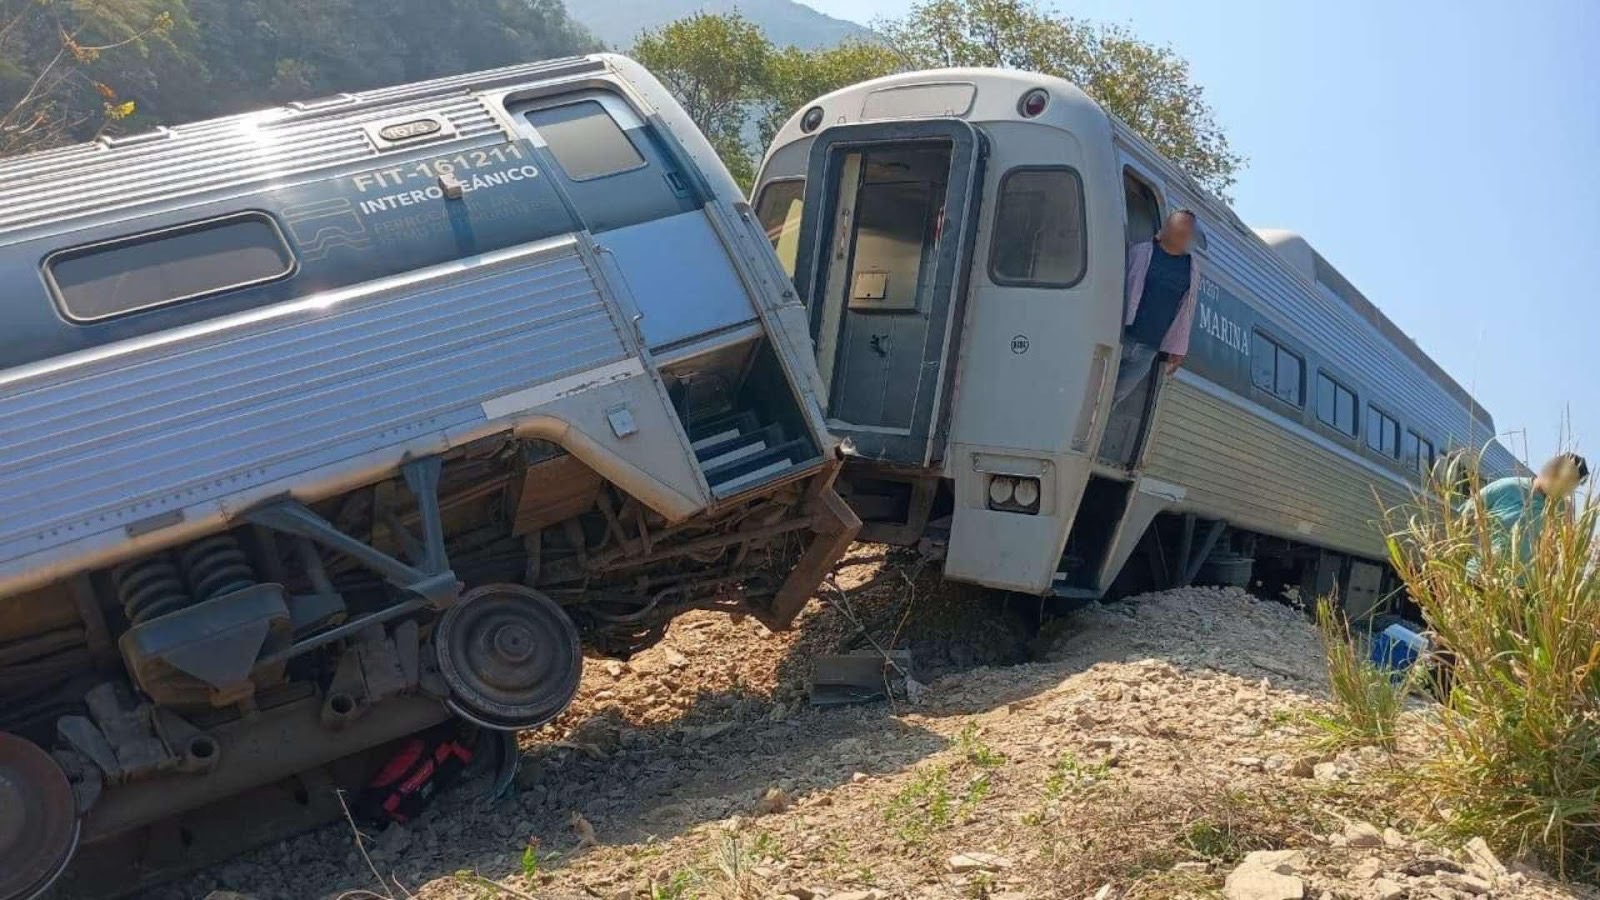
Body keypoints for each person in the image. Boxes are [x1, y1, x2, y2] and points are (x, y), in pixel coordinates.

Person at [1113, 209, 1202, 406]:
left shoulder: (1191, 269)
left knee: (1114, 397)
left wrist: (1179, 348)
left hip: (1148, 348)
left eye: (1187, 232)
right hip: (1120, 335)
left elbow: (1186, 310)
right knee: (1096, 388)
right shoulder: (1140, 252)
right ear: (1166, 228)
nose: (1183, 235)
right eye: (1179, 229)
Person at [1466, 452, 1589, 575]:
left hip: (1520, 588)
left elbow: (1561, 552)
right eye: (1564, 480)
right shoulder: (1508, 487)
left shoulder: (1562, 511)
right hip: (1479, 575)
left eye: (1570, 486)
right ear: (1552, 469)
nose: (1564, 488)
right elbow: (1465, 517)